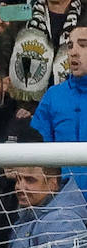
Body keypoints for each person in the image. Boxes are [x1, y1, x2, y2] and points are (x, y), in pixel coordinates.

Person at [32, 23, 87, 183]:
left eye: (83, 45)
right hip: (63, 199)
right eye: (70, 46)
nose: (73, 52)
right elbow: (38, 147)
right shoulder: (53, 96)